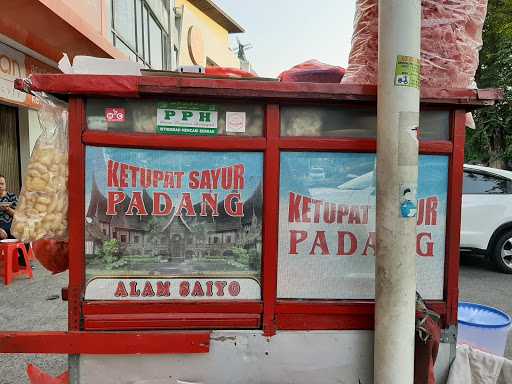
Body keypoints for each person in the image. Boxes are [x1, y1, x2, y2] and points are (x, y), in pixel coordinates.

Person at [0, 174, 27, 266]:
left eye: (2, 183)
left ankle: (22, 261)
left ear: (5, 184)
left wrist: (8, 209)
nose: (0, 186)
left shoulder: (12, 197)